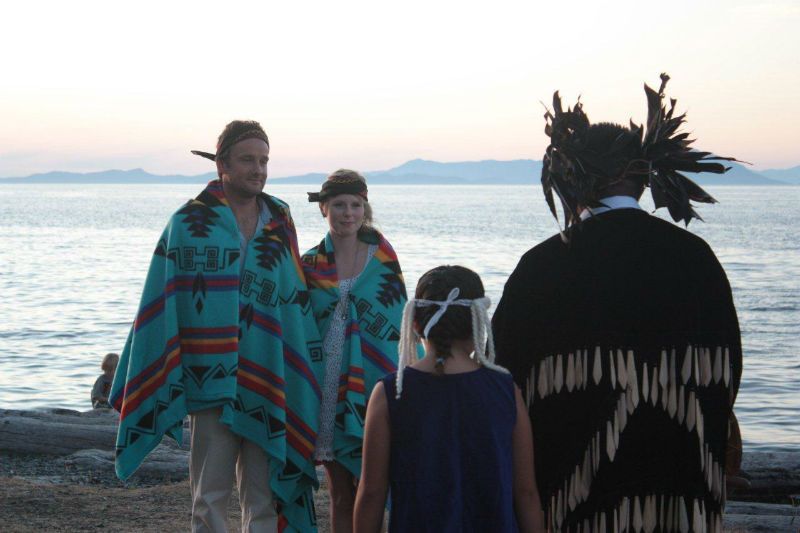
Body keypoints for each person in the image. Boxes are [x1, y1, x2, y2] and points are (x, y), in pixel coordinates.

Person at [492, 74, 743, 531]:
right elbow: (730, 368)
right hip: (677, 494)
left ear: (572, 177)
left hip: (573, 498)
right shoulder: (696, 258)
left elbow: (503, 378)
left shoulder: (543, 265)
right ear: (645, 177)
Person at [110, 120, 324, 533]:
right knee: (209, 497)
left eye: (264, 161)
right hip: (209, 376)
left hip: (267, 372)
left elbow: (291, 294)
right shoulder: (189, 221)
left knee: (264, 495)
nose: (258, 169)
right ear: (222, 164)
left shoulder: (279, 219)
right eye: (248, 160)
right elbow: (163, 298)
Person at [354, 265, 545, 533]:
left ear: (415, 323)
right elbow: (526, 492)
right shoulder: (505, 390)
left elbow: (372, 493)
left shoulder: (391, 393)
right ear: (478, 322)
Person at [301, 169, 407, 532]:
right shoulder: (309, 264)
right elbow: (299, 325)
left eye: (355, 205)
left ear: (365, 208)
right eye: (339, 205)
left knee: (371, 488)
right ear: (324, 208)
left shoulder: (383, 260)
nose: (348, 213)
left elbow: (398, 325)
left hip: (372, 382)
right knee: (340, 492)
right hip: (325, 382)